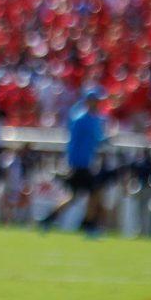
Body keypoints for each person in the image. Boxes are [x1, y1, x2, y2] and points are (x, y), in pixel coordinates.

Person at [40, 87, 107, 232]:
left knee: (75, 197)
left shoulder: (87, 118)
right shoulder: (83, 119)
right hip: (80, 164)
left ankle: (48, 219)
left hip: (83, 163)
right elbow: (93, 139)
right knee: (94, 193)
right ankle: (88, 224)